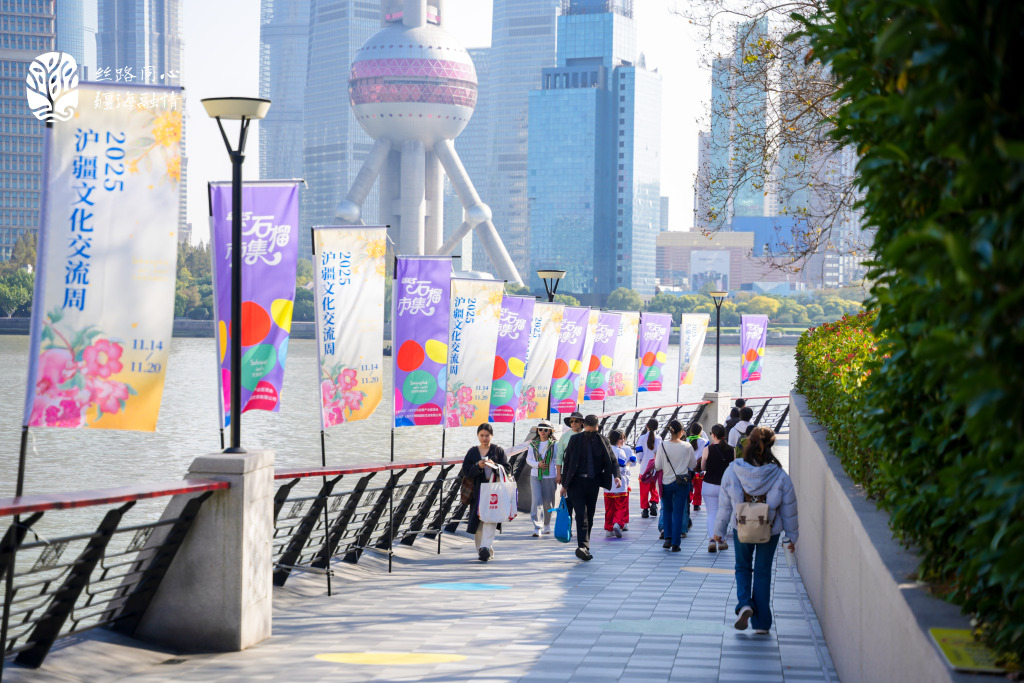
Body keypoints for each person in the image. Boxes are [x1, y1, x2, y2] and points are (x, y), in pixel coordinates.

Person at [714, 427, 798, 634]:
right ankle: (761, 623)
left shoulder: (733, 471)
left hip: (741, 526)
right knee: (763, 571)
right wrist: (791, 536)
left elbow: (724, 505)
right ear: (771, 446)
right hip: (770, 528)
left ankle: (745, 604)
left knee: (742, 567)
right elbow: (789, 510)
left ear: (748, 444)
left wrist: (719, 530)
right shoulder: (779, 475)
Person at [560, 414, 622, 561]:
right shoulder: (575, 439)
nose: (593, 430)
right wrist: (565, 485)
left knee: (590, 515)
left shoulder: (603, 440)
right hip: (576, 482)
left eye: (594, 428)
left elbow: (613, 460)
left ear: (597, 427)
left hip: (593, 482)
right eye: (590, 428)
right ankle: (582, 546)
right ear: (585, 426)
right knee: (581, 514)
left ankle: (585, 547)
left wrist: (617, 476)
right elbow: (567, 462)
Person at [460, 423, 510, 562]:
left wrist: (495, 466)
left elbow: (507, 469)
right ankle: (483, 550)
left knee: (491, 518)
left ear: (492, 436)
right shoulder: (472, 452)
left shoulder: (498, 451)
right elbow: (466, 471)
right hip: (477, 492)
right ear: (477, 435)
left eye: (487, 435)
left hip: (494, 491)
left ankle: (485, 547)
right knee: (479, 521)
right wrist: (478, 466)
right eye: (481, 435)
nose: (484, 438)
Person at [654, 419, 696, 552]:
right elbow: (693, 465)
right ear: (681, 432)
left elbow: (657, 466)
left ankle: (668, 538)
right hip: (682, 482)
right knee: (678, 512)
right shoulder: (687, 446)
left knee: (667, 510)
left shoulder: (662, 446)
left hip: (666, 482)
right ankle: (676, 543)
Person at [701, 423, 734, 553]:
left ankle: (711, 540)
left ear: (713, 435)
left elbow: (703, 467)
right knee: (723, 513)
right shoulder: (732, 450)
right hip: (725, 486)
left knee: (711, 513)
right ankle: (721, 540)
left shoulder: (708, 449)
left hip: (709, 484)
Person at [526, 419, 559, 537]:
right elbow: (528, 459)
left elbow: (558, 460)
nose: (543, 432)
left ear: (550, 431)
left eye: (546, 430)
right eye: (540, 429)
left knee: (548, 502)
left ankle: (547, 524)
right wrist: (537, 464)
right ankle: (537, 527)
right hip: (535, 476)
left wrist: (559, 474)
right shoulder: (533, 444)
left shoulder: (555, 444)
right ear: (538, 431)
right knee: (537, 500)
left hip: (550, 476)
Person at [603, 429, 634, 538]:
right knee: (621, 506)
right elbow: (621, 468)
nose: (623, 440)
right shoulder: (620, 451)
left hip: (608, 485)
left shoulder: (605, 450)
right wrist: (627, 467)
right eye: (621, 439)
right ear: (616, 439)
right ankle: (617, 523)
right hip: (620, 484)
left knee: (609, 508)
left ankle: (609, 529)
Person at [635, 418, 661, 518]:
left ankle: (645, 510)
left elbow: (639, 453)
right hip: (655, 467)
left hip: (644, 468)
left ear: (647, 426)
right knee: (653, 487)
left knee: (644, 490)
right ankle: (654, 503)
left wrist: (641, 461)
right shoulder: (659, 438)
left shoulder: (641, 438)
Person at [557, 411, 585, 484]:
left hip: (583, 472)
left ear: (581, 422)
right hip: (567, 471)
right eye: (571, 421)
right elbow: (559, 456)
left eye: (576, 421)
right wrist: (558, 474)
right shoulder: (564, 436)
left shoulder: (587, 435)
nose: (573, 423)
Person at [687, 423, 709, 512]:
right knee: (698, 488)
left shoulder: (687, 440)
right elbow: (707, 448)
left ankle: (688, 500)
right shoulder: (704, 441)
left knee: (689, 487)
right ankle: (696, 505)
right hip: (699, 469)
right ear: (700, 431)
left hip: (689, 469)